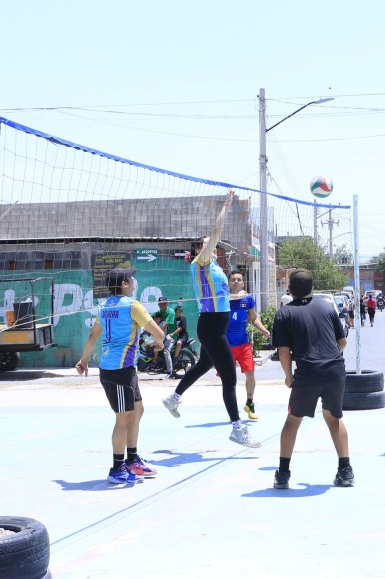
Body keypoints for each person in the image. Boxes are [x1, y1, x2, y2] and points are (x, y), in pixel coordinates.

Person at [162, 190, 261, 448]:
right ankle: (237, 428)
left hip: (216, 325)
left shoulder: (216, 267)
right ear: (199, 248)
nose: (211, 242)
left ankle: (174, 397)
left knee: (204, 365)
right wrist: (225, 207)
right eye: (206, 241)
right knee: (229, 378)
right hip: (212, 327)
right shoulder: (201, 262)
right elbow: (216, 232)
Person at [77, 268, 165, 483]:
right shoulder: (133, 306)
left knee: (137, 410)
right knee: (123, 417)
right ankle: (117, 469)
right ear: (124, 284)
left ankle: (133, 460)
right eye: (130, 278)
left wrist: (84, 359)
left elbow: (93, 334)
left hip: (124, 369)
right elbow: (159, 333)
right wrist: (159, 341)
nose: (134, 280)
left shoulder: (104, 306)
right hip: (116, 370)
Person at [271, 269, 353, 488]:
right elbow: (342, 342)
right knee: (333, 418)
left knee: (293, 420)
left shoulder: (284, 314)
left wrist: (288, 377)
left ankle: (283, 474)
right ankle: (346, 471)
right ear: (312, 288)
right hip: (335, 368)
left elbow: (284, 351)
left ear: (289, 288)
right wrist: (328, 357)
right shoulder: (327, 307)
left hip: (308, 371)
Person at [228, 269, 271, 420]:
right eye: (233, 279)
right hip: (226, 346)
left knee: (250, 374)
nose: (236, 282)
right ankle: (233, 412)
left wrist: (263, 330)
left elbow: (254, 319)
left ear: (243, 282)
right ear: (229, 282)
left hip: (243, 344)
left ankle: (250, 402)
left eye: (239, 279)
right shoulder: (222, 299)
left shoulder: (248, 299)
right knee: (229, 380)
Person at [169, 304, 189, 378]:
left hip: (183, 336)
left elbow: (180, 328)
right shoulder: (174, 319)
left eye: (179, 312)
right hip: (175, 336)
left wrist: (173, 334)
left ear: (181, 312)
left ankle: (175, 358)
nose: (178, 313)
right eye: (177, 312)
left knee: (179, 343)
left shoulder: (183, 319)